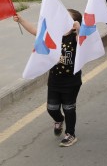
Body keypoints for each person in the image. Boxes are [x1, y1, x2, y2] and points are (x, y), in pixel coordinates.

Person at [14, 10, 82, 147]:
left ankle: (70, 134)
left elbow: (84, 40)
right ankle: (59, 119)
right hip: (54, 80)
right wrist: (21, 20)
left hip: (71, 81)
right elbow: (35, 31)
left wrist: (79, 29)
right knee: (52, 108)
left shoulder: (75, 38)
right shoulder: (53, 35)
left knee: (69, 107)